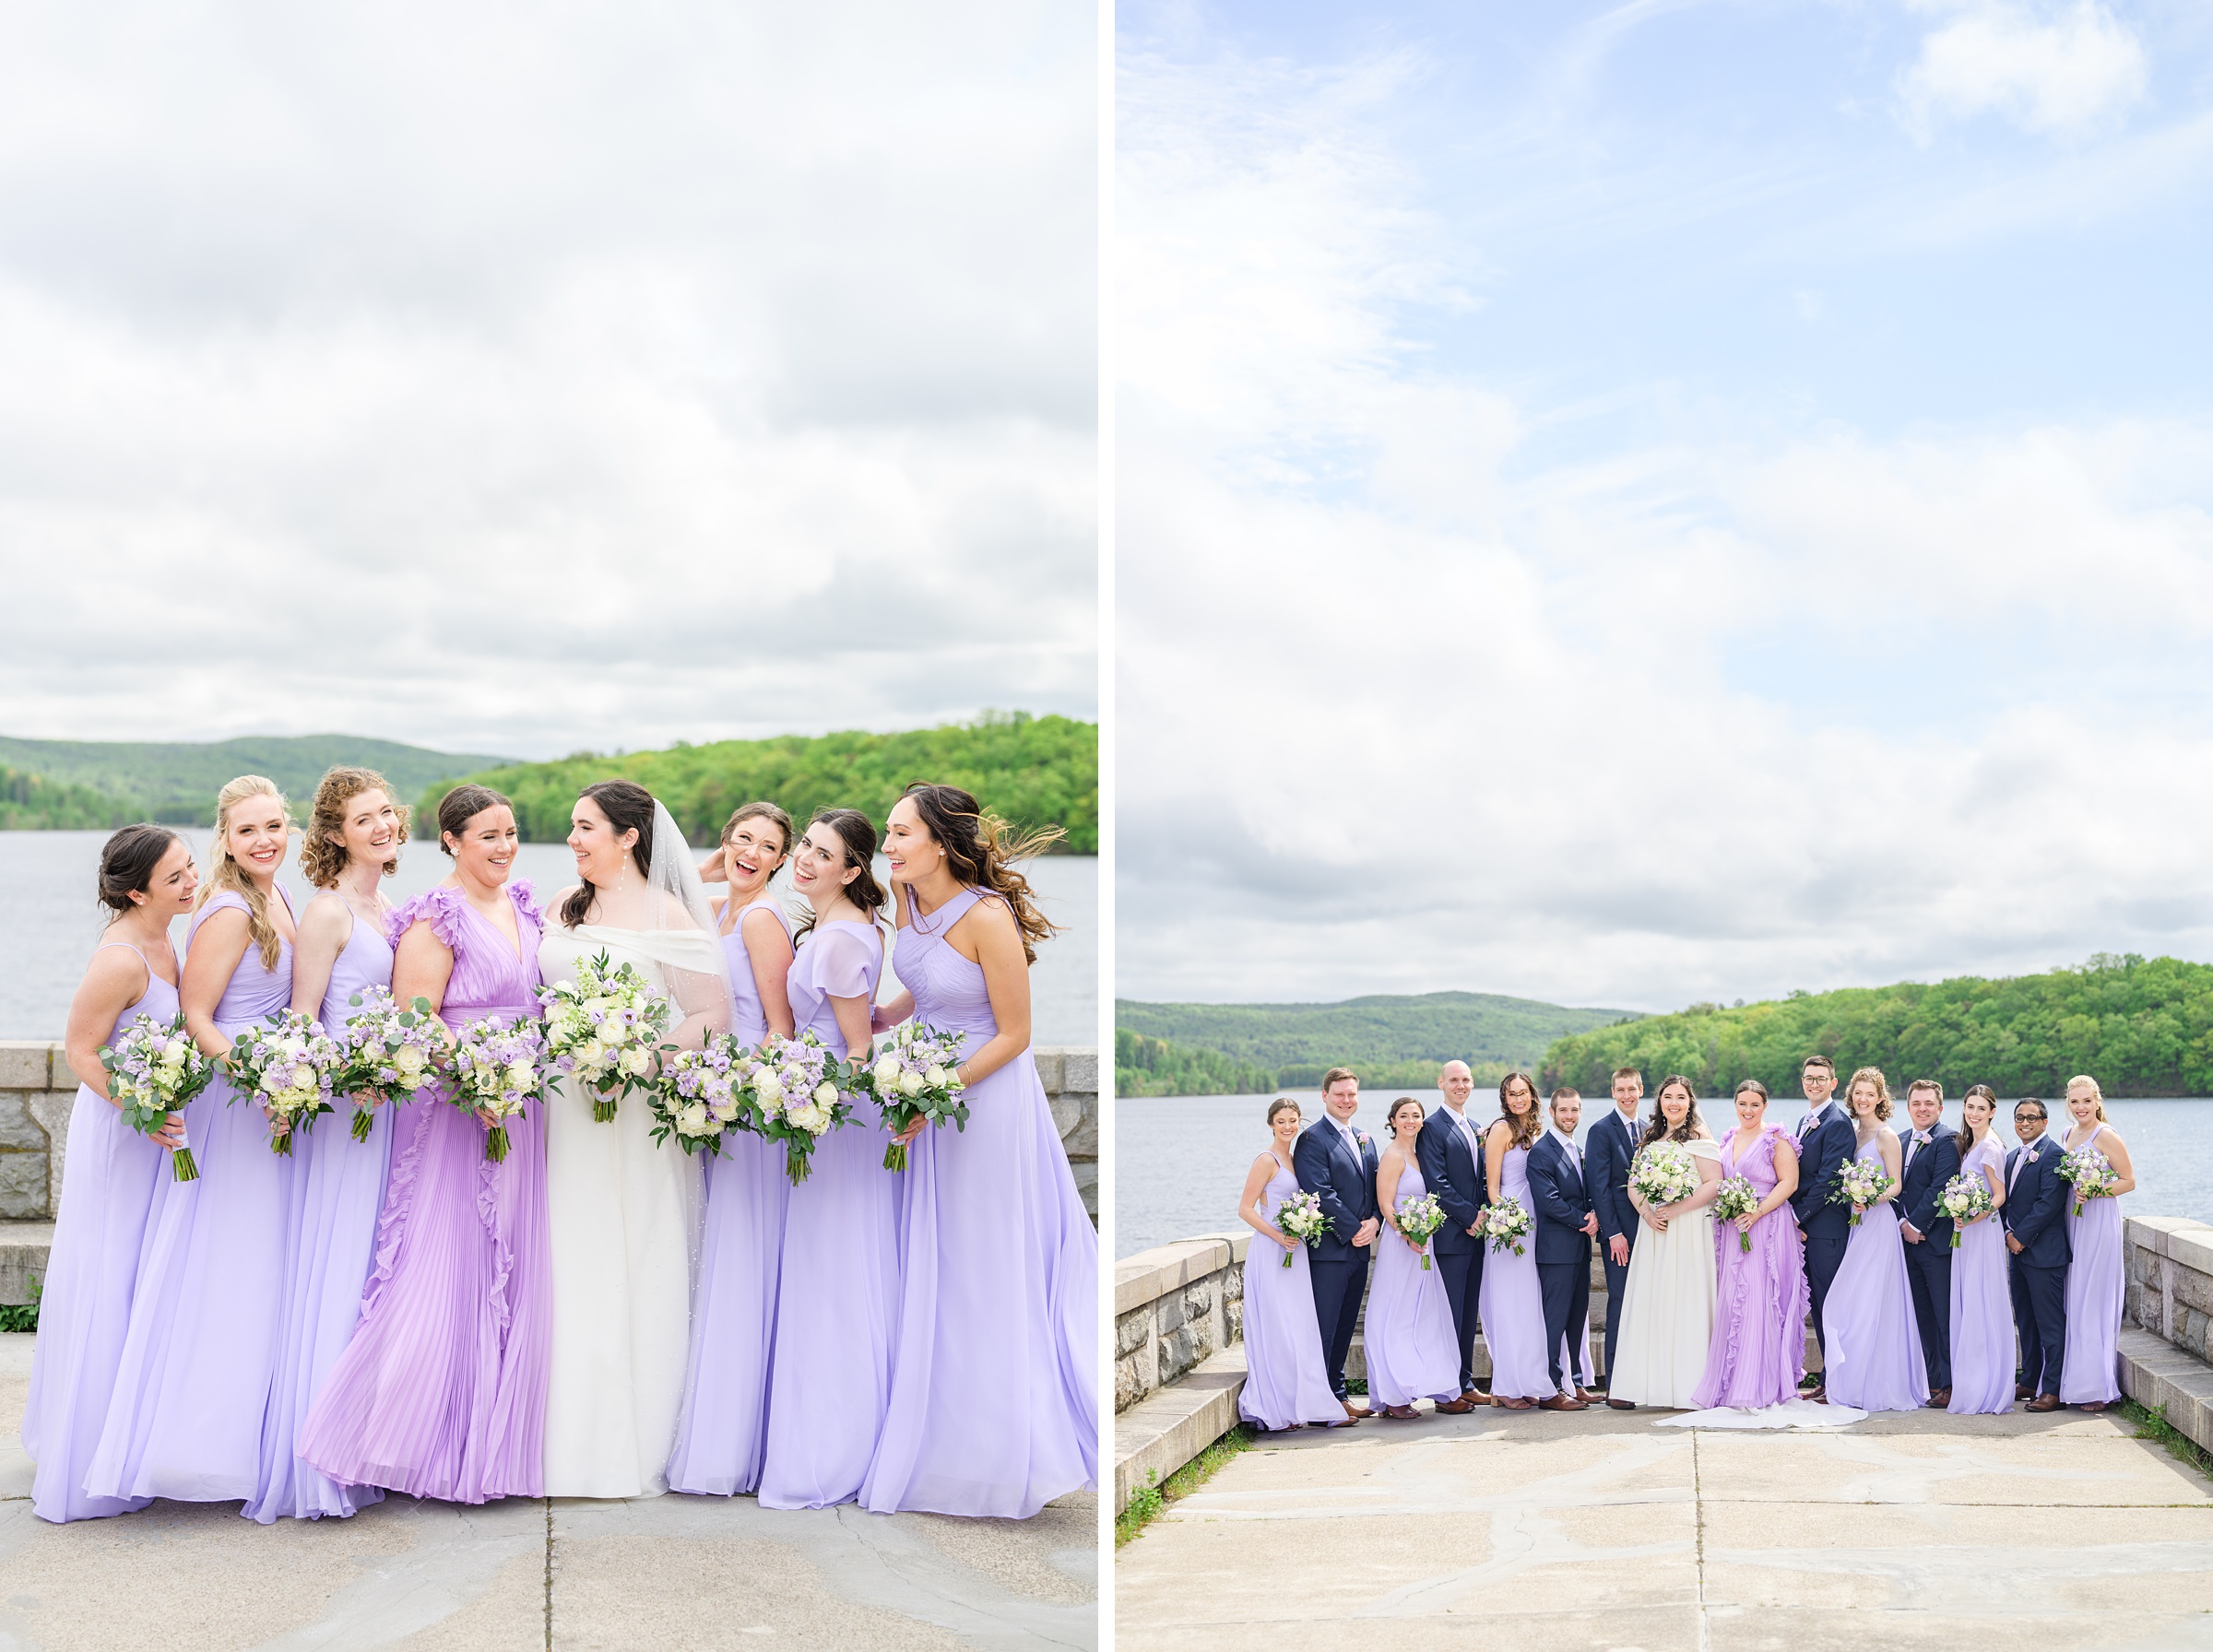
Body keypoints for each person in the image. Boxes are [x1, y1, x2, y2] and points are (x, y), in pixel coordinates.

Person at [297, 784, 550, 1503]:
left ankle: (493, 1445)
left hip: (521, 1106)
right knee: (445, 1267)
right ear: (450, 841)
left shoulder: (523, 903)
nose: (502, 847)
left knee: (511, 1266)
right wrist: (481, 1079)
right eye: (487, 836)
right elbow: (419, 1020)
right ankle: (409, 1440)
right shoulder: (437, 917)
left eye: (510, 833)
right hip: (459, 1107)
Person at [861, 784, 1098, 1516]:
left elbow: (1014, 1033)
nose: (890, 845)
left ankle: (1006, 1450)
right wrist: (855, 1021)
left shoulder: (988, 916)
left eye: (901, 833)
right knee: (935, 1260)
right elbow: (920, 992)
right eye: (889, 833)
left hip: (984, 1101)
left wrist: (939, 1093)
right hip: (928, 1089)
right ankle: (939, 1435)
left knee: (982, 1259)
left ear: (939, 840)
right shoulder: (910, 905)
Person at [87, 778, 299, 1504]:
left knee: (252, 1262)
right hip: (234, 1101)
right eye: (248, 831)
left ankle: (243, 1430)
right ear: (225, 838)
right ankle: (192, 1442)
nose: (265, 840)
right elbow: (199, 1016)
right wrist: (260, 1081)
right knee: (219, 1261)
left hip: (267, 1091)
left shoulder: (278, 897)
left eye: (274, 825)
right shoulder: (229, 911)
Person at [540, 781, 731, 1498]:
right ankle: (552, 1433)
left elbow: (711, 1012)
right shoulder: (565, 904)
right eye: (572, 825)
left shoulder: (669, 912)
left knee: (628, 1254)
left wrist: (639, 1057)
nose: (575, 838)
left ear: (628, 836)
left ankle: (626, 1438)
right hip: (560, 1110)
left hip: (629, 1112)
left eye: (587, 827)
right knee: (562, 1258)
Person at [22, 826, 195, 1522]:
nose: (191, 881)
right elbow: (80, 1051)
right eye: (177, 875)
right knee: (110, 1273)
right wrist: (141, 1108)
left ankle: (136, 1432)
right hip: (123, 1134)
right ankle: (91, 1448)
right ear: (136, 890)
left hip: (154, 1131)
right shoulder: (121, 959)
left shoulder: (169, 939)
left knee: (145, 1274)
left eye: (190, 868)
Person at [248, 768, 405, 1522]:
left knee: (379, 1275)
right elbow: (304, 1022)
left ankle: (367, 1438)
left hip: (393, 1114)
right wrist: (353, 1076)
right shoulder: (328, 911)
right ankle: (319, 1462)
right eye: (363, 818)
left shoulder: (392, 905)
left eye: (387, 813)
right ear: (336, 833)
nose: (381, 825)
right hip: (350, 1119)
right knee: (341, 1266)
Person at [758, 809, 895, 1509]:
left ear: (852, 871)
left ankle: (828, 1447)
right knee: (838, 1269)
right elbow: (869, 1019)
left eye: (823, 854)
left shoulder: (838, 940)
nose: (805, 860)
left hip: (833, 1126)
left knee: (828, 1274)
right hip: (827, 1113)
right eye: (804, 847)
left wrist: (802, 1094)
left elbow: (856, 1050)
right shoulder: (845, 929)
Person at [668, 802, 799, 1496]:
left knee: (742, 1256)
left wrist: (735, 1090)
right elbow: (656, 881)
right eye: (741, 839)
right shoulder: (714, 909)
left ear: (783, 859)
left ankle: (743, 1435)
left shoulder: (761, 920)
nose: (752, 852)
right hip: (707, 1100)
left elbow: (781, 1027)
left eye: (768, 845)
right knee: (713, 1251)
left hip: (743, 1103)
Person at [1691, 1080, 1808, 1410]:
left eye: (1755, 1104)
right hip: (1733, 1227)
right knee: (1733, 1300)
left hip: (1767, 1225)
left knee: (1759, 1299)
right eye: (1742, 1103)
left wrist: (1756, 1212)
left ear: (1765, 1106)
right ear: (1735, 1104)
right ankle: (1731, 1380)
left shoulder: (1775, 1139)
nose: (1748, 1110)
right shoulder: (1727, 1139)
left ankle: (1760, 1383)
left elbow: (1789, 1182)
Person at [1606, 1076, 1722, 1410]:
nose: (1674, 1103)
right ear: (1659, 1102)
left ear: (1690, 1102)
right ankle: (1652, 1385)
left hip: (1688, 1229)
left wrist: (1675, 1209)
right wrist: (1646, 1213)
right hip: (1655, 1232)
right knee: (1653, 1302)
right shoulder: (1651, 1137)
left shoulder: (1699, 1137)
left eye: (1680, 1097)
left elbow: (1714, 1184)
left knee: (1686, 1300)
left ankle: (1688, 1384)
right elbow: (1633, 1185)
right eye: (1668, 1097)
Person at [1819, 1068, 1928, 1412]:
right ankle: (1850, 1379)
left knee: (1871, 1301)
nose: (1863, 1099)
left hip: (1878, 1224)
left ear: (1881, 1098)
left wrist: (1872, 1196)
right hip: (1856, 1224)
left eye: (1870, 1094)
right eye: (1858, 1094)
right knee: (1849, 1302)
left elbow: (1896, 1184)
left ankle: (1876, 1382)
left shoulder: (1886, 1136)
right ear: (1850, 1097)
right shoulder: (1851, 1132)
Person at [1233, 1099, 1345, 1432]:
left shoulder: (1295, 1160)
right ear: (1271, 1124)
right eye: (1281, 1121)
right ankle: (1276, 1406)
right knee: (1277, 1326)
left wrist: (1301, 1226)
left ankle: (1297, 1404)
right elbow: (1246, 1209)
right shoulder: (1266, 1160)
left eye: (1293, 1120)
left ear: (1299, 1122)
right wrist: (1279, 1237)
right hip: (1272, 1252)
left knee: (1298, 1326)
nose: (1288, 1126)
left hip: (1295, 1253)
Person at [1366, 1099, 1473, 1419]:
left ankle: (1440, 1387)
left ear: (1423, 1121)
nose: (1410, 1121)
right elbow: (1386, 1206)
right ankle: (1394, 1395)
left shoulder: (1418, 1155)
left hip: (1425, 1247)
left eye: (1416, 1116)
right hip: (1402, 1248)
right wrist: (1408, 1234)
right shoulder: (1392, 1156)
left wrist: (1424, 1233)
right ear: (1393, 1121)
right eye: (1404, 1116)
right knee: (1397, 1314)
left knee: (1427, 1315)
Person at [1292, 1068, 1379, 1421]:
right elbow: (1319, 1191)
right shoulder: (1312, 1139)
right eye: (1340, 1094)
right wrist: (1354, 1227)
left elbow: (1373, 1188)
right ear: (1325, 1096)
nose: (1347, 1100)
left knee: (1345, 1327)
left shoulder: (1365, 1138)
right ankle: (1318, 1402)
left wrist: (1375, 1222)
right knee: (1324, 1328)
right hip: (1329, 1252)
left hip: (1359, 1250)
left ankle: (1337, 1394)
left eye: (1352, 1095)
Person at [1414, 1059, 1490, 1408]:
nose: (1460, 1085)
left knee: (1466, 1314)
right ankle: (1445, 1389)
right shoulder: (1431, 1128)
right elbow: (1437, 1184)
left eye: (1466, 1080)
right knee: (1448, 1315)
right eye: (1454, 1080)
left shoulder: (1475, 1127)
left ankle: (1463, 1380)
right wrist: (1469, 1217)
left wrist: (1487, 1215)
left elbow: (1480, 1180)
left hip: (1477, 1237)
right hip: (1450, 1238)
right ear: (1441, 1083)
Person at [1478, 1072, 1555, 1410]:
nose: (1518, 1099)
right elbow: (1492, 1188)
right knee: (1510, 1302)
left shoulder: (1537, 1129)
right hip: (1510, 1223)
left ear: (1532, 1095)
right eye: (1512, 1094)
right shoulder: (1501, 1129)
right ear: (1504, 1099)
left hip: (1536, 1218)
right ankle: (1507, 1386)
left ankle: (1526, 1379)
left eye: (1523, 1093)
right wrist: (1506, 1225)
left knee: (1529, 1304)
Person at [2057, 1075, 2132, 1411]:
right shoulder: (2066, 1134)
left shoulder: (2106, 1135)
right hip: (2075, 1221)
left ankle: (2099, 1387)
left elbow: (2129, 1181)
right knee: (2075, 1297)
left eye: (2086, 1101)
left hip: (2100, 1222)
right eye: (2075, 1101)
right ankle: (2076, 1382)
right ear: (2068, 1104)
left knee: (2094, 1297)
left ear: (2097, 1101)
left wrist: (2095, 1190)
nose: (2081, 1107)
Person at [1526, 1086, 1598, 1411]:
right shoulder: (1541, 1152)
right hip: (1555, 1252)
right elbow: (1549, 1201)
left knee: (1576, 1320)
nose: (1570, 1116)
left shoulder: (1577, 1148)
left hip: (1579, 1249)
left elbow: (1585, 1192)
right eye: (1564, 1110)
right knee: (1553, 1322)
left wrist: (1595, 1213)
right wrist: (1584, 1220)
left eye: (1575, 1110)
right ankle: (1550, 1388)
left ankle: (1576, 1382)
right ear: (1552, 1113)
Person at [1788, 1055, 1855, 1400]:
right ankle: (1829, 1380)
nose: (1813, 1083)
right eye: (1808, 1078)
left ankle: (1838, 1383)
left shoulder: (1837, 1122)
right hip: (1810, 1231)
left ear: (1833, 1083)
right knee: (1819, 1307)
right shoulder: (1806, 1120)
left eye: (1820, 1079)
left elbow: (1830, 1179)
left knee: (1832, 1306)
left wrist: (1796, 1217)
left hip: (1828, 1231)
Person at [1895, 1079, 1960, 1409]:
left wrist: (1917, 1224)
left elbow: (1941, 1187)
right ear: (1908, 1107)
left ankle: (1950, 1383)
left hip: (1935, 1244)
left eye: (1928, 1104)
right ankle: (1931, 1381)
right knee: (1920, 1315)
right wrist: (1901, 1224)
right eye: (1916, 1103)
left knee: (1943, 1315)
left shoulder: (1948, 1139)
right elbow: (1895, 1187)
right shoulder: (1900, 1139)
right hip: (1905, 1244)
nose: (1922, 1109)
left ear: (1940, 1107)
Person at [1947, 1085, 2013, 1416]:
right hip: (1967, 1231)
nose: (1974, 1113)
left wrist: (1975, 1215)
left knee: (1981, 1300)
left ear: (1991, 1112)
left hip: (1981, 1231)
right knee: (1969, 1300)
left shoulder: (1989, 1146)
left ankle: (1986, 1386)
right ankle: (1972, 1379)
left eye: (1980, 1108)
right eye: (1969, 1107)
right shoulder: (1970, 1144)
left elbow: (1999, 1195)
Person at [2004, 1098, 2070, 1412]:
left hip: (2045, 1254)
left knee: (2050, 1323)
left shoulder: (2054, 1154)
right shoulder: (2013, 1156)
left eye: (2032, 1117)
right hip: (2017, 1252)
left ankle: (2052, 1390)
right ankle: (2029, 1379)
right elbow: (2008, 1202)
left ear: (2044, 1121)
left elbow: (2048, 1203)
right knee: (2026, 1321)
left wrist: (2020, 1238)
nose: (2025, 1123)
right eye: (2019, 1118)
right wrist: (2007, 1234)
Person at [1584, 1065, 1644, 1396]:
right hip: (1619, 1236)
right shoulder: (1600, 1130)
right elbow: (1599, 1187)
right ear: (1613, 1093)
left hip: (1650, 1233)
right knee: (1620, 1301)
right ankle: (1617, 1386)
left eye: (1631, 1089)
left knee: (1646, 1303)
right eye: (1620, 1090)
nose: (1626, 1095)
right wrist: (1613, 1233)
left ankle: (1643, 1378)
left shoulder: (1650, 1130)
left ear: (1640, 1090)